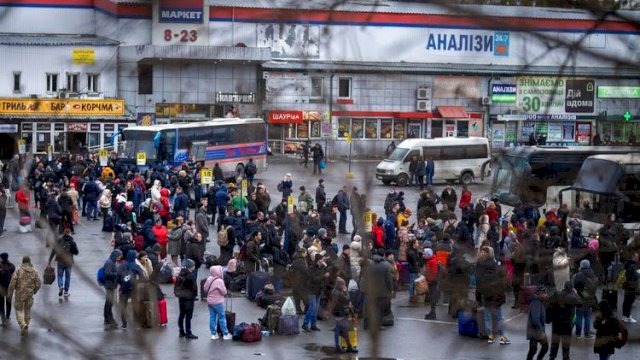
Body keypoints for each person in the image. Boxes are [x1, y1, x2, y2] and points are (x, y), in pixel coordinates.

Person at [7, 256, 41, 336]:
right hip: (29, 295)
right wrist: (34, 291)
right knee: (27, 311)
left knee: (19, 310)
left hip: (19, 294)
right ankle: (26, 326)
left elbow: (12, 284)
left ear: (23, 261)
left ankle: (22, 324)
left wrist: (10, 294)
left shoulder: (18, 271)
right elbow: (38, 283)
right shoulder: (34, 271)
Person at [547, 281, 581, 360]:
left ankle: (552, 357)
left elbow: (549, 302)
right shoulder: (572, 297)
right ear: (571, 288)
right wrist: (575, 293)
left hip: (556, 324)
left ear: (564, 287)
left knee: (554, 348)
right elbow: (580, 303)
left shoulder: (557, 294)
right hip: (567, 325)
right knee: (566, 349)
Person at [117, 250, 145, 329]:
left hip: (124, 289)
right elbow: (142, 277)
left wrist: (122, 284)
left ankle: (124, 324)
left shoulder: (122, 265)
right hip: (133, 288)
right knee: (135, 305)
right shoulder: (136, 266)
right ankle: (135, 323)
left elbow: (117, 276)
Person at [204, 265, 232, 340]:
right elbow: (224, 292)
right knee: (222, 318)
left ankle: (213, 334)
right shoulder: (219, 281)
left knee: (212, 317)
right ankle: (225, 334)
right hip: (218, 302)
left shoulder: (209, 278)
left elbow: (205, 289)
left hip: (210, 301)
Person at [48, 228, 79, 297]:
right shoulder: (72, 242)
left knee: (60, 275)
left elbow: (54, 251)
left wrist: (50, 260)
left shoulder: (59, 240)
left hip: (60, 260)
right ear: (70, 233)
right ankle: (66, 292)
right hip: (68, 261)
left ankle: (60, 286)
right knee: (67, 277)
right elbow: (76, 252)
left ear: (64, 233)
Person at [572, 259, 598, 339]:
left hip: (581, 298)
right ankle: (587, 334)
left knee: (579, 315)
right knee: (587, 316)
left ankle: (578, 334)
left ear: (582, 265)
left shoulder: (579, 274)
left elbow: (575, 285)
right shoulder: (592, 273)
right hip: (590, 298)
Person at [331, 277, 358, 354]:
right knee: (345, 330)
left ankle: (338, 346)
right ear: (340, 285)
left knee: (337, 329)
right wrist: (346, 292)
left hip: (336, 313)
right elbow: (347, 299)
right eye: (343, 285)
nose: (344, 286)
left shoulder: (334, 291)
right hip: (341, 313)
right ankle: (349, 346)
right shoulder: (340, 293)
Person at [302, 253, 327, 332]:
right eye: (322, 259)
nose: (323, 261)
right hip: (312, 289)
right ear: (319, 260)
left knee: (315, 308)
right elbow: (313, 279)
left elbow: (322, 280)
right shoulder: (312, 268)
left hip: (318, 290)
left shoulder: (322, 267)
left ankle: (313, 324)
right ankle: (305, 324)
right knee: (312, 307)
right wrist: (324, 276)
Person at [174, 259, 198, 339]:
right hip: (189, 298)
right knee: (188, 316)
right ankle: (188, 332)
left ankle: (181, 331)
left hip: (181, 298)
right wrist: (194, 296)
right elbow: (194, 288)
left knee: (181, 315)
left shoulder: (181, 274)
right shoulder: (191, 276)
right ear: (192, 267)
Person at [526, 285, 549, 360]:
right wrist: (541, 330)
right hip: (536, 330)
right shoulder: (536, 302)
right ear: (541, 293)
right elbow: (535, 318)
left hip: (535, 330)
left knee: (533, 350)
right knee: (543, 348)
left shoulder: (539, 301)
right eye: (545, 293)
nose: (546, 294)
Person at [102, 249, 122, 330]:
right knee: (109, 303)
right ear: (116, 255)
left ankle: (107, 319)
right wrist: (116, 274)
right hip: (110, 285)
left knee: (109, 303)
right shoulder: (110, 263)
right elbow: (107, 273)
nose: (120, 258)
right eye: (119, 256)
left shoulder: (111, 262)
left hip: (111, 285)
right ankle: (109, 319)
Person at [620, 251, 638, 323]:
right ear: (633, 257)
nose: (637, 258)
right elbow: (634, 276)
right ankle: (627, 316)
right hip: (631, 286)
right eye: (636, 257)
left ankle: (625, 316)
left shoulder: (627, 264)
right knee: (629, 301)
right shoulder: (632, 265)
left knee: (626, 301)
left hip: (626, 285)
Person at [0, 252, 16, 326]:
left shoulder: (0, 266)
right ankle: (7, 317)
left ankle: (3, 320)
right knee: (8, 303)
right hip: (9, 287)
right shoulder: (11, 266)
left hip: (1, 288)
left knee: (1, 304)